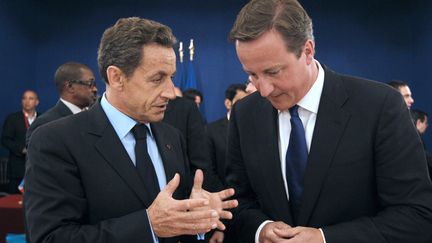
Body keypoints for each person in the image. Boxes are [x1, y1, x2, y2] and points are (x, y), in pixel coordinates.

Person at [226, 0, 432, 242]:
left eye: (273, 72)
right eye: (251, 74)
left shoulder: (380, 106)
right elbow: (239, 203)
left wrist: (325, 238)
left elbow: (416, 216)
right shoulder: (245, 114)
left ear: (308, 51)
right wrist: (261, 229)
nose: (263, 90)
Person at [24, 17, 237, 243]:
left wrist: (192, 213)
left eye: (171, 78)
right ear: (116, 77)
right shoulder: (55, 140)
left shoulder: (171, 136)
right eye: (157, 79)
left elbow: (172, 220)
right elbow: (51, 238)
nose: (170, 91)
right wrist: (148, 226)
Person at [206, 83, 247, 243]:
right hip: (225, 216)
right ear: (228, 103)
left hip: (255, 219)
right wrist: (219, 224)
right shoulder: (211, 131)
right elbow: (209, 173)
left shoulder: (259, 130)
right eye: (240, 101)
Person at [26, 62, 98, 145]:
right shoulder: (44, 124)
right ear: (70, 87)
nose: (95, 89)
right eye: (90, 84)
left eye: (95, 84)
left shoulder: (95, 117)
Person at [1, 90, 39, 193]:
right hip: (17, 169)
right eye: (24, 98)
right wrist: (21, 149)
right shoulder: (12, 118)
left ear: (37, 102)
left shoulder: (42, 119)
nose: (27, 101)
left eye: (31, 98)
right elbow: (5, 139)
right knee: (15, 204)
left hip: (37, 169)